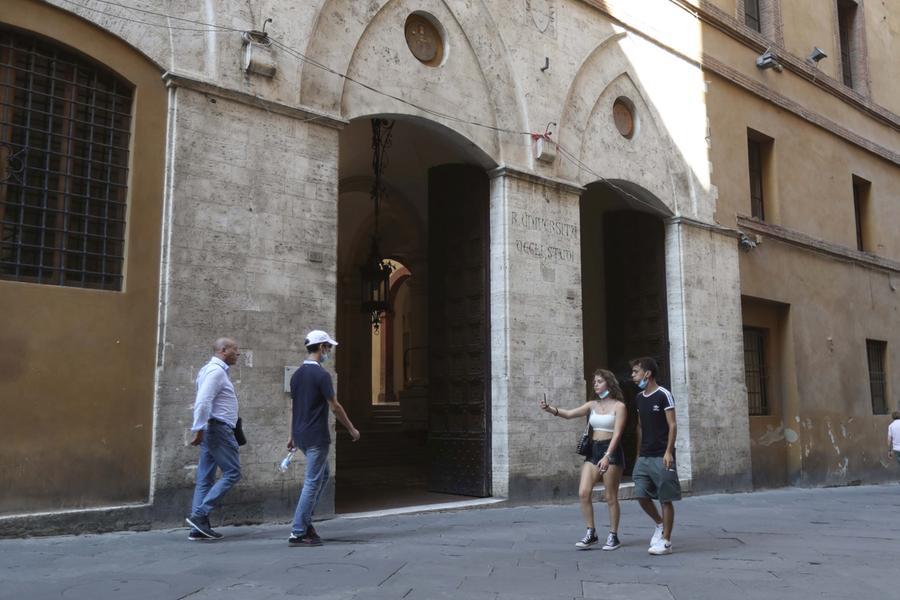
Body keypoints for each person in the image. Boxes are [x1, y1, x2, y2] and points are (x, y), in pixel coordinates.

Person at [540, 369, 628, 551]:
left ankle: (613, 535)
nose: (595, 384)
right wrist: (551, 409)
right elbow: (570, 414)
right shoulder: (592, 405)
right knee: (583, 492)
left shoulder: (619, 406)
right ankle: (591, 533)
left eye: (599, 381)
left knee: (610, 496)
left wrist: (607, 456)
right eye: (594, 381)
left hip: (609, 450)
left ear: (609, 384)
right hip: (593, 450)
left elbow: (618, 434)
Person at [288, 330, 360, 547]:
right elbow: (335, 406)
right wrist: (351, 428)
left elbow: (296, 407)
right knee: (312, 482)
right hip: (316, 436)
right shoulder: (321, 375)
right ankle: (298, 531)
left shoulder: (297, 374)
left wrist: (292, 435)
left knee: (323, 475)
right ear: (321, 348)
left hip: (301, 435)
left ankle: (305, 522)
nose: (330, 351)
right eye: (329, 347)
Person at [186, 337, 243, 541]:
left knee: (205, 479)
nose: (238, 353)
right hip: (217, 430)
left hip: (213, 429)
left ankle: (197, 529)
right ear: (223, 350)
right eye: (235, 349)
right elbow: (203, 401)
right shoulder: (216, 371)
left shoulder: (211, 370)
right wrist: (198, 429)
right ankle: (200, 515)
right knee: (233, 472)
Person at [630, 356, 681, 555]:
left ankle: (666, 541)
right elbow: (640, 426)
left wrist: (669, 451)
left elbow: (673, 425)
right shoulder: (639, 398)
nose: (633, 376)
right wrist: (637, 454)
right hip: (644, 456)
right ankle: (660, 524)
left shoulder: (664, 394)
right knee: (641, 495)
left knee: (665, 498)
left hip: (662, 455)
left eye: (636, 372)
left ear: (647, 373)